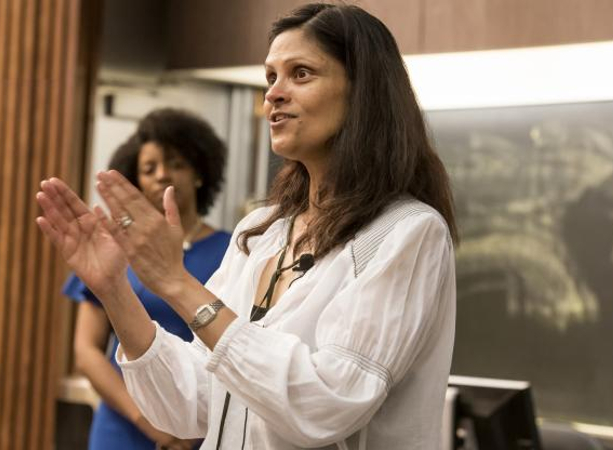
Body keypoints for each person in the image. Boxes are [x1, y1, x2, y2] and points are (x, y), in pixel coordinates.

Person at [37, 4, 459, 449]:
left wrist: (177, 284)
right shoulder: (260, 231)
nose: (274, 94)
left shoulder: (407, 233)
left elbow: (326, 404)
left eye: (301, 74)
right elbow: (190, 405)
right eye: (270, 77)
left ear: (364, 93)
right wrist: (114, 291)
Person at [63, 108, 230, 450]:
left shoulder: (234, 251)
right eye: (148, 168)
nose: (162, 175)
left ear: (200, 172)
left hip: (204, 429)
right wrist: (150, 423)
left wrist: (188, 430)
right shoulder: (116, 251)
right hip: (123, 427)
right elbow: (86, 351)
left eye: (176, 164)